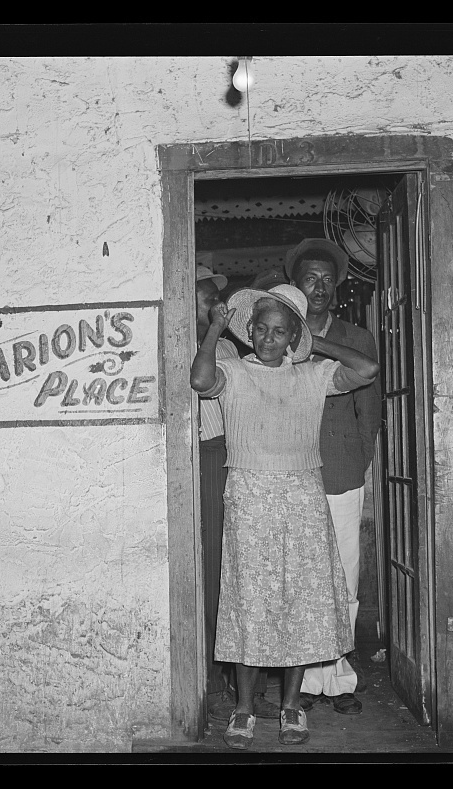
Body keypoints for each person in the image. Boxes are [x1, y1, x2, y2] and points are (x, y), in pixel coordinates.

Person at [190, 283, 379, 748]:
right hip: (250, 498)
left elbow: (368, 369)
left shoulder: (312, 375)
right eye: (262, 329)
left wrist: (315, 345)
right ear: (249, 331)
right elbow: (199, 381)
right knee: (248, 603)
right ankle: (244, 709)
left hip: (303, 498)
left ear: (293, 337)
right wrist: (216, 327)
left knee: (302, 604)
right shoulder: (232, 373)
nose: (270, 338)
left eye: (281, 331)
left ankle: (292, 707)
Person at [284, 239, 382, 716]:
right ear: (296, 285)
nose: (319, 287)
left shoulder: (356, 337)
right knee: (301, 577)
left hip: (342, 471)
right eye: (310, 279)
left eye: (326, 279)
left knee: (344, 574)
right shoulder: (278, 334)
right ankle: (299, 680)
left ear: (336, 284)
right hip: (291, 474)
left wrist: (356, 460)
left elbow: (371, 410)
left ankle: (339, 677)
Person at [195, 265, 281, 724]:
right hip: (196, 465)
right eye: (206, 297)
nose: (217, 306)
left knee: (248, 573)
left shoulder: (230, 346)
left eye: (217, 298)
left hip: (235, 460)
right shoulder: (177, 344)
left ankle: (251, 686)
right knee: (209, 575)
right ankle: (207, 678)